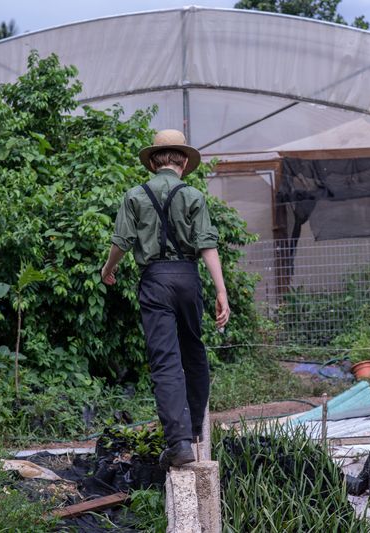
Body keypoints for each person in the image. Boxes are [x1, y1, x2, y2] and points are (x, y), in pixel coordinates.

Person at [101, 129, 230, 469]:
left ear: (154, 161)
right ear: (184, 162)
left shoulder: (134, 195)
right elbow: (207, 245)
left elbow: (122, 241)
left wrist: (108, 268)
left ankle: (179, 442)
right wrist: (221, 291)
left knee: (165, 362)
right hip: (188, 278)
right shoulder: (194, 196)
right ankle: (197, 434)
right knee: (194, 352)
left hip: (155, 280)